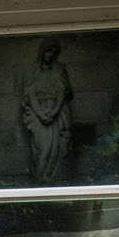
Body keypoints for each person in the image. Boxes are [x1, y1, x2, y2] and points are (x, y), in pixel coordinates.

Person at [19, 40, 74, 182]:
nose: (50, 55)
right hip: (39, 116)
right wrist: (41, 114)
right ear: (42, 52)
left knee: (59, 151)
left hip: (57, 116)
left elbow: (63, 90)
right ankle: (40, 185)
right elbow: (29, 94)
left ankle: (57, 185)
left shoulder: (59, 69)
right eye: (48, 51)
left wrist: (54, 111)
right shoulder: (32, 72)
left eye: (54, 52)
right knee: (43, 151)